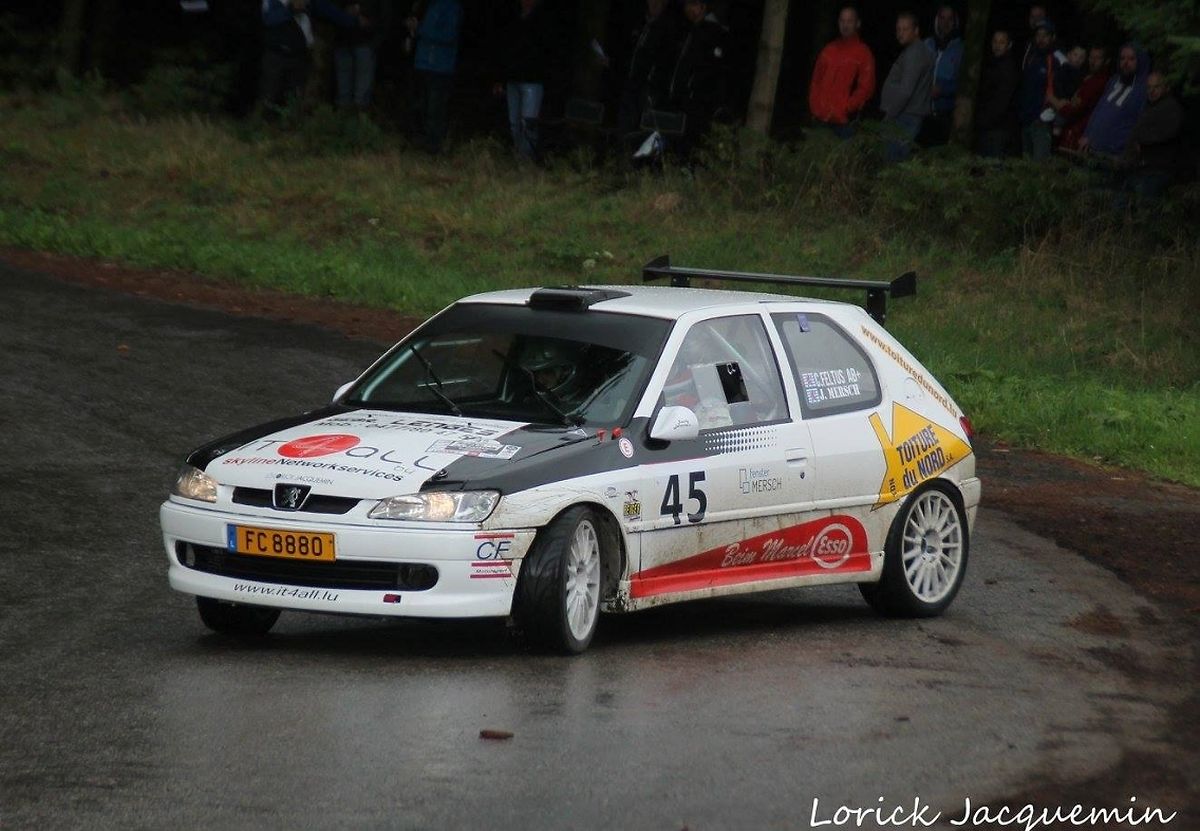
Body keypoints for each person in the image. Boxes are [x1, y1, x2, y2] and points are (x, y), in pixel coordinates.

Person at [260, 0, 366, 115]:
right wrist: (291, 9)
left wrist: (353, 21)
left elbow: (327, 11)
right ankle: (264, 122)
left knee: (296, 98)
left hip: (299, 56)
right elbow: (269, 19)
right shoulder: (274, 2)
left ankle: (293, 122)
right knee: (270, 96)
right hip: (276, 56)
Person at [665, 0, 730, 158]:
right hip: (682, 100)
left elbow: (714, 70)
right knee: (678, 143)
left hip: (698, 102)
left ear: (703, 7)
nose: (689, 9)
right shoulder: (690, 30)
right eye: (687, 5)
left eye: (693, 5)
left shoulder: (713, 32)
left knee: (693, 144)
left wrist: (696, 93)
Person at [494, 0, 553, 161]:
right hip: (513, 78)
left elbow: (547, 50)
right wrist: (501, 77)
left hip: (532, 80)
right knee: (514, 123)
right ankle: (518, 156)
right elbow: (505, 48)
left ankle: (526, 160)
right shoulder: (513, 18)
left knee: (528, 123)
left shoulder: (543, 19)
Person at [616, 0, 682, 143]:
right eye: (652, 1)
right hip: (632, 83)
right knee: (625, 126)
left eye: (658, 2)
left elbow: (667, 61)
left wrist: (653, 82)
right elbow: (631, 53)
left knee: (644, 129)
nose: (654, 4)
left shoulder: (668, 27)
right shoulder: (641, 24)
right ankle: (623, 152)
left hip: (649, 88)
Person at [808, 6, 876, 138]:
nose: (845, 25)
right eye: (842, 21)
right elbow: (816, 80)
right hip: (821, 118)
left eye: (849, 21)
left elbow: (866, 88)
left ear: (857, 24)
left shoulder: (863, 53)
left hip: (844, 122)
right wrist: (815, 106)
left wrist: (847, 107)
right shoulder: (829, 49)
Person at [1118, 72, 1182, 206]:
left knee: (1142, 209)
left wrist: (1142, 142)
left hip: (1154, 172)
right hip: (1139, 170)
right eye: (1149, 87)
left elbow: (1166, 133)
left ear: (1166, 87)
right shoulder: (1150, 107)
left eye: (1156, 87)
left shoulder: (1170, 107)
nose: (1151, 91)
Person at [408, 0, 462, 153]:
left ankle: (434, 146)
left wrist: (420, 29)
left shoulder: (451, 6)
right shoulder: (427, 5)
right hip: (423, 63)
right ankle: (422, 143)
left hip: (439, 67)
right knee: (421, 106)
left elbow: (449, 35)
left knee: (435, 109)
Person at [1080, 44, 1149, 158]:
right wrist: (1087, 134)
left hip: (1114, 154)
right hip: (1091, 147)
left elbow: (1138, 123)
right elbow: (1099, 108)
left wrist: (1121, 148)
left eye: (1131, 59)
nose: (1125, 62)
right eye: (1122, 58)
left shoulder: (1143, 89)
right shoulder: (1114, 80)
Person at [880, 12, 933, 162]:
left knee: (892, 162)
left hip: (904, 117)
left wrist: (890, 115)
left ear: (916, 30)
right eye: (898, 29)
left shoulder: (914, 53)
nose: (900, 33)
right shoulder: (920, 51)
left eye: (905, 29)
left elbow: (906, 91)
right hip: (908, 115)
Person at [333, 0, 392, 110]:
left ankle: (357, 117)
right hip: (344, 42)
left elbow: (385, 18)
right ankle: (345, 116)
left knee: (360, 97)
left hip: (364, 44)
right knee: (344, 96)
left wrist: (374, 43)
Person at [1051, 45, 1109, 150]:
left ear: (1106, 61)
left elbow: (1077, 107)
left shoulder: (1098, 82)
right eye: (1091, 57)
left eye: (1098, 58)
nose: (1093, 61)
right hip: (1071, 127)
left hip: (1078, 132)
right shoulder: (1088, 77)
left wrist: (1057, 103)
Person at [920, 5, 963, 146]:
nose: (945, 23)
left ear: (955, 22)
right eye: (942, 18)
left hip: (945, 115)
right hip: (921, 113)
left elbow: (963, 84)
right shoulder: (927, 44)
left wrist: (942, 89)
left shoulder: (960, 49)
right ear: (937, 20)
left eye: (950, 19)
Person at [1016, 19, 1059, 160]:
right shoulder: (1030, 57)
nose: (1041, 39)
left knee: (1039, 166)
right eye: (1038, 35)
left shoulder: (1055, 60)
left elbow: (1061, 93)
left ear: (1052, 37)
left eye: (1045, 35)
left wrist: (1050, 116)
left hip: (1042, 122)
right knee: (1025, 164)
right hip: (1025, 120)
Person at [975, 30, 1019, 157]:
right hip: (989, 126)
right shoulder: (991, 63)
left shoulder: (1008, 67)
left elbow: (1002, 100)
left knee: (993, 162)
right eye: (995, 41)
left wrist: (985, 120)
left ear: (1009, 45)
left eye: (1001, 42)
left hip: (999, 127)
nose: (997, 45)